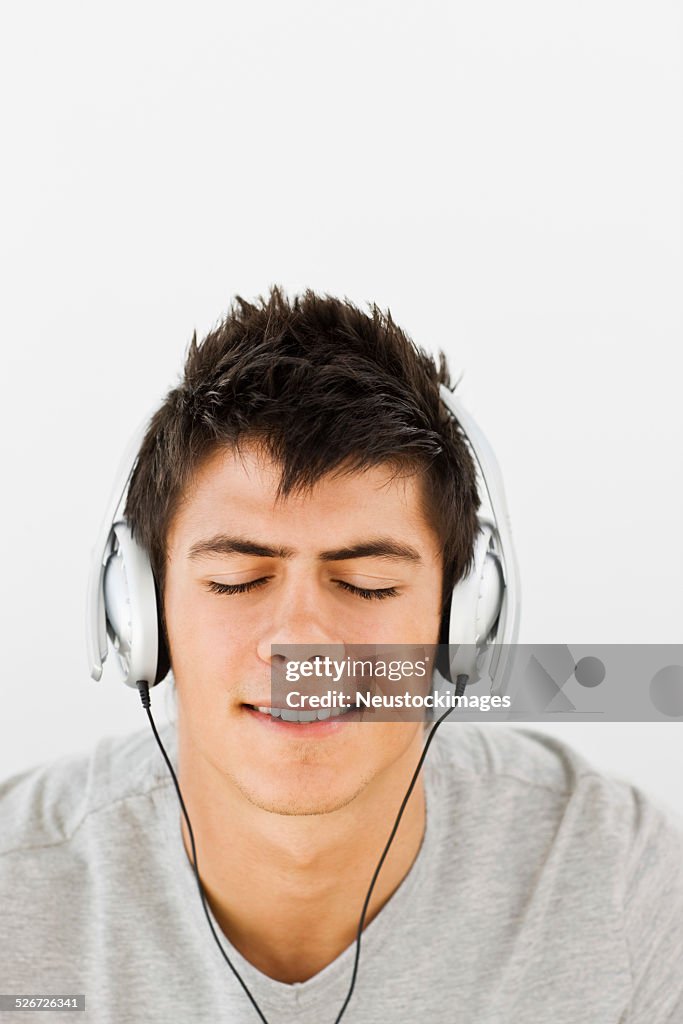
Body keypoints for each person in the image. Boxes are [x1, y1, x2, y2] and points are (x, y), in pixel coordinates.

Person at [1, 287, 682, 1024]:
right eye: (237, 580)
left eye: (368, 584)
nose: (301, 642)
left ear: (462, 624)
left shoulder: (615, 877)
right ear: (140, 614)